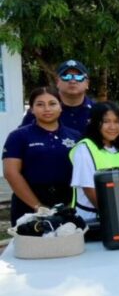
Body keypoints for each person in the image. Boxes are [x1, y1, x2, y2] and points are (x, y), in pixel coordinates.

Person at [3, 87, 80, 224]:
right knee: (32, 245)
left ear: (60, 106)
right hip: (28, 205)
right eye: (40, 104)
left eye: (52, 103)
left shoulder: (75, 136)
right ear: (32, 109)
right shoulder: (18, 136)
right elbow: (11, 173)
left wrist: (71, 205)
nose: (47, 109)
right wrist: (38, 206)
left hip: (68, 205)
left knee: (69, 245)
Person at [69, 102, 119, 222]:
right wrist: (113, 214)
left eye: (117, 121)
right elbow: (89, 189)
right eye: (106, 122)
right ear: (94, 123)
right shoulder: (84, 148)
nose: (113, 127)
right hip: (91, 218)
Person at [21, 59, 94, 134]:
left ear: (87, 83)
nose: (72, 81)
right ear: (57, 82)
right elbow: (21, 137)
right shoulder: (40, 110)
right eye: (66, 77)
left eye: (79, 77)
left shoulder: (98, 111)